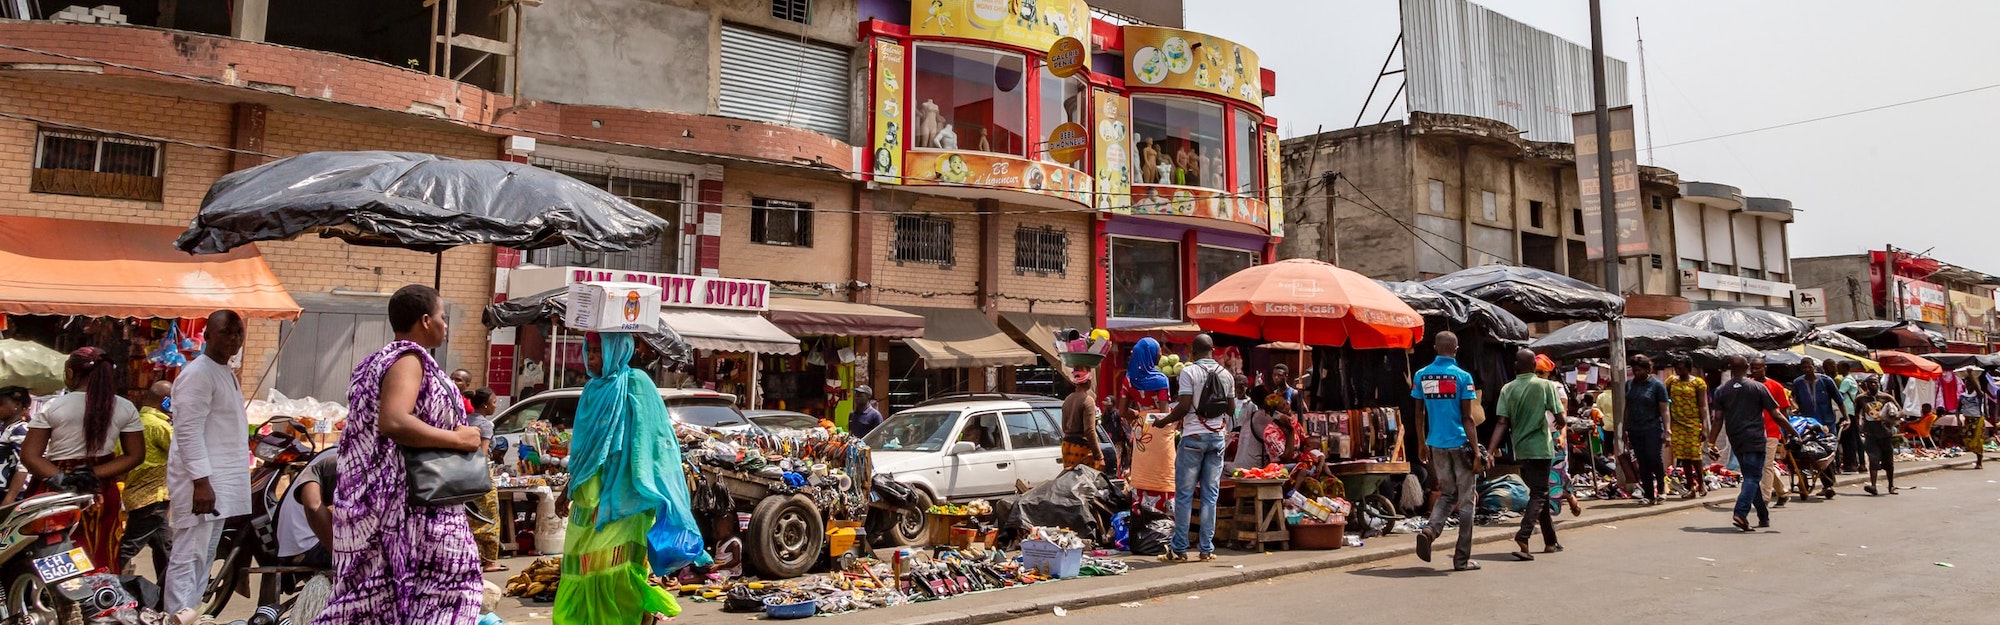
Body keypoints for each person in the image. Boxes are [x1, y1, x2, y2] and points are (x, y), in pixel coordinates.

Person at [317, 285, 485, 625]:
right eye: (442, 317)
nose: (445, 324)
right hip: (412, 510)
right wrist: (459, 439)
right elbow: (394, 420)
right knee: (451, 594)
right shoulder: (408, 360)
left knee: (384, 606)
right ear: (425, 321)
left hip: (386, 505)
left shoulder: (376, 361)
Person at [554, 332, 710, 624]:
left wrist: (658, 487)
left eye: (599, 350)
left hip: (626, 495)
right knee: (583, 567)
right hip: (588, 495)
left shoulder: (637, 383)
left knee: (615, 566)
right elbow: (583, 452)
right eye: (589, 350)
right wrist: (567, 490)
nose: (592, 357)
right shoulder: (591, 391)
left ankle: (632, 616)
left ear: (618, 350)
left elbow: (656, 440)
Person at [20, 347, 145, 573]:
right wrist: (91, 474)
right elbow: (135, 455)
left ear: (70, 373)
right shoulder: (125, 407)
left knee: (48, 555)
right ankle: (100, 591)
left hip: (54, 488)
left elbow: (30, 455)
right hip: (99, 489)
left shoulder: (54, 406)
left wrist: (62, 478)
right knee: (99, 552)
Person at [164, 310, 252, 616]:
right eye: (226, 332)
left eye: (238, 333)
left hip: (218, 484)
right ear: (208, 335)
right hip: (201, 485)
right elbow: (187, 431)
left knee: (204, 557)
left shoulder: (223, 371)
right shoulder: (198, 373)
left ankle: (190, 616)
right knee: (189, 557)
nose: (234, 339)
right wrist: (201, 482)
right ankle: (175, 617)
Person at [1150, 334, 1231, 563]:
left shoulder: (1189, 372)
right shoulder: (1226, 374)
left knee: (1185, 495)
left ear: (1193, 352)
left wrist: (1164, 421)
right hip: (1217, 439)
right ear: (1212, 350)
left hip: (1193, 438)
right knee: (1210, 496)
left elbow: (1184, 406)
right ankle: (1206, 550)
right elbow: (1231, 408)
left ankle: (1179, 549)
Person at [1412, 331, 1483, 572]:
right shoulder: (1463, 377)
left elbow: (1419, 413)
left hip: (1436, 444)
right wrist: (1477, 452)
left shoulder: (1421, 375)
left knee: (1447, 494)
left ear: (1435, 347)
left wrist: (1422, 442)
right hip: (1460, 444)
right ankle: (1461, 559)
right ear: (1456, 349)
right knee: (1466, 502)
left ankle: (1430, 531)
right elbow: (1468, 418)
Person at [1491, 348, 1564, 559]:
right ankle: (1524, 535)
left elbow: (1502, 422)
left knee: (1540, 493)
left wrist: (1490, 449)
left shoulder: (1507, 389)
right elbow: (1559, 416)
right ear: (1534, 366)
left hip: (1521, 449)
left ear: (1515, 366)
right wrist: (1561, 424)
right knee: (1540, 493)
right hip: (1541, 447)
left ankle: (1550, 541)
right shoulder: (1545, 386)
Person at [1711, 355, 1796, 531]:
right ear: (1747, 368)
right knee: (1752, 477)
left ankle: (1763, 516)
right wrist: (1793, 432)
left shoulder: (1721, 390)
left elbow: (1718, 419)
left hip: (1736, 439)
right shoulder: (1757, 387)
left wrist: (1711, 442)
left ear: (1731, 369)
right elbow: (1777, 414)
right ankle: (1740, 512)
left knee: (1751, 476)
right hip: (1755, 438)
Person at [120, 380, 175, 582]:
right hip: (151, 497)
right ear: (166, 402)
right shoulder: (159, 426)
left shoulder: (134, 421)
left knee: (164, 546)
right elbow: (182, 453)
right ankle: (103, 580)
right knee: (129, 546)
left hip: (137, 493)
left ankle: (166, 590)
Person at [276, 446, 339, 569]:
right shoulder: (347, 461)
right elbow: (312, 505)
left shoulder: (331, 454)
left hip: (291, 544)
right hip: (308, 546)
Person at [466, 387, 506, 572]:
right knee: (490, 516)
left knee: (470, 516)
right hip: (480, 473)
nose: (496, 405)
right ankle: (490, 561)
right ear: (485, 405)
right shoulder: (486, 425)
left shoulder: (464, 419)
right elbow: (482, 453)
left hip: (462, 472)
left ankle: (471, 557)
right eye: (494, 402)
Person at [1622, 355, 1670, 504]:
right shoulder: (1629, 385)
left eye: (1640, 370)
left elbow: (1664, 410)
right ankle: (1649, 494)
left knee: (1654, 458)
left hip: (1652, 427)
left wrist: (1667, 430)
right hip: (1635, 428)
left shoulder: (1657, 385)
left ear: (1648, 369)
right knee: (1642, 462)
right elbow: (1627, 408)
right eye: (1635, 370)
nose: (1637, 373)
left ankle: (1661, 488)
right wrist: (1624, 429)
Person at [1748, 357, 1795, 507]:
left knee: (1766, 465)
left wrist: (1787, 432)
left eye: (1757, 368)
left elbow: (1784, 411)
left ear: (1765, 369)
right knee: (1763, 464)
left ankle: (1764, 499)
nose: (1754, 371)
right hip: (1754, 431)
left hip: (1771, 431)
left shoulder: (1776, 386)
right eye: (1752, 368)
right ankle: (1782, 492)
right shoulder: (1748, 385)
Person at [1791, 358, 1843, 485]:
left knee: (1826, 453)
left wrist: (1846, 418)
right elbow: (1792, 398)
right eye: (1804, 368)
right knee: (1807, 452)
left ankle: (1828, 483)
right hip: (1808, 424)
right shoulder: (1798, 382)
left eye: (1809, 367)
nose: (1807, 370)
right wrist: (1795, 407)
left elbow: (1839, 400)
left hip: (1826, 422)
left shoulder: (1826, 381)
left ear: (1814, 366)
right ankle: (1804, 480)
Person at [1665, 355, 1711, 498]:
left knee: (1695, 456)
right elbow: (1665, 400)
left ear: (1688, 368)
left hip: (1693, 423)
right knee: (1683, 457)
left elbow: (1703, 406)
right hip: (1677, 424)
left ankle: (1701, 484)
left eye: (1681, 368)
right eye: (1676, 368)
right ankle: (1690, 487)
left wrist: (1704, 427)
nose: (1678, 371)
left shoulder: (1698, 383)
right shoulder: (1671, 381)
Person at [1856, 375, 1901, 495]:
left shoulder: (1886, 397)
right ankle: (1873, 485)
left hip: (1886, 433)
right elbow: (1856, 414)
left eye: (1875, 382)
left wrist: (1892, 416)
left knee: (1889, 461)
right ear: (1866, 385)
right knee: (1873, 459)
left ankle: (1891, 485)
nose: (1873, 385)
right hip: (1870, 433)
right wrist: (1859, 426)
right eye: (1871, 383)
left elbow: (1900, 411)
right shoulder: (1861, 398)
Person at [1059, 369, 1103, 470]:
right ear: (1088, 382)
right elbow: (1090, 431)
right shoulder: (1088, 400)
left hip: (1067, 446)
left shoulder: (1067, 399)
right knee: (1085, 478)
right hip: (1081, 448)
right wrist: (1099, 456)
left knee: (1070, 478)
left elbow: (1064, 427)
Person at [0, 386, 30, 504]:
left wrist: (9, 499)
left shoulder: (20, 430)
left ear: (17, 405)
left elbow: (23, 468)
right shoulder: (4, 429)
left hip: (8, 496)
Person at [1834, 361, 1863, 473]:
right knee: (1854, 438)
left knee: (1848, 439)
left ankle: (1851, 464)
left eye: (1839, 367)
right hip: (1852, 411)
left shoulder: (1846, 381)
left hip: (1847, 411)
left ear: (1845, 368)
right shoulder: (1851, 379)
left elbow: (1839, 395)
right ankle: (1858, 463)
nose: (1837, 370)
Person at [1958, 371, 1986, 469]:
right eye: (1967, 383)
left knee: (1977, 441)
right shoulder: (1963, 396)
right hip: (1968, 420)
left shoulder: (1979, 395)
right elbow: (1958, 409)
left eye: (1971, 383)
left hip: (1977, 420)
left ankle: (1979, 461)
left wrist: (1971, 375)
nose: (1969, 385)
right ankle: (1977, 454)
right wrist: (1958, 419)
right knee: (1966, 440)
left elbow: (1978, 389)